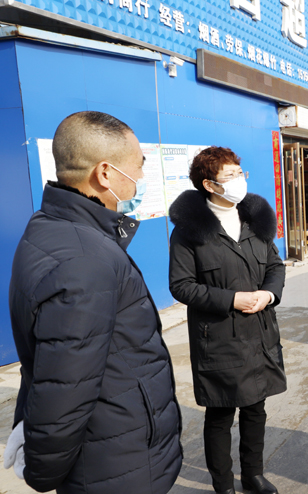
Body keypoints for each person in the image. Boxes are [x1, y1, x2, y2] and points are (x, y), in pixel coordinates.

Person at [4, 111, 182, 493]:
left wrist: (27, 424)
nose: (141, 176)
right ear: (105, 174)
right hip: (116, 466)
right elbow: (65, 387)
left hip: (112, 452)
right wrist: (41, 469)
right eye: (138, 166)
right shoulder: (85, 260)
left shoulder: (50, 228)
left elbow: (47, 359)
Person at [169, 146, 286, 494]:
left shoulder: (254, 219)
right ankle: (223, 485)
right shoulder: (189, 231)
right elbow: (181, 285)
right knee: (220, 414)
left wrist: (268, 294)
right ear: (209, 184)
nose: (239, 181)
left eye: (239, 173)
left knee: (255, 408)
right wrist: (232, 299)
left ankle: (253, 475)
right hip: (218, 337)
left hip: (259, 331)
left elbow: (275, 266)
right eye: (229, 175)